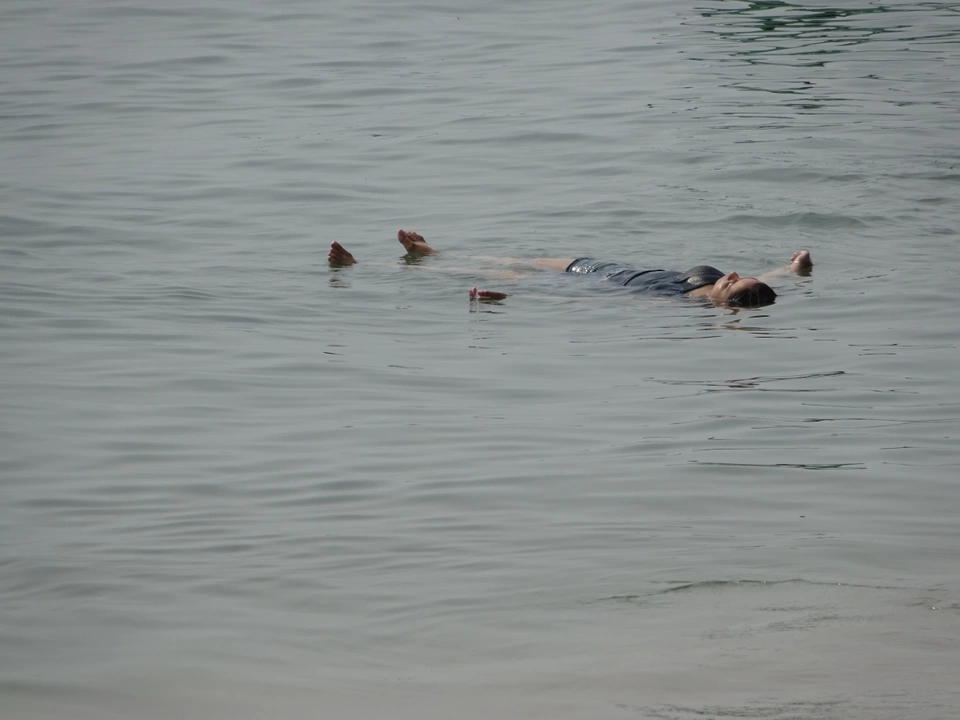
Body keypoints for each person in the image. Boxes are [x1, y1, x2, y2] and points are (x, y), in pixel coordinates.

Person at [328, 229, 813, 307]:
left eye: (733, 283)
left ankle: (363, 267)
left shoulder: (676, 309)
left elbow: (589, 308)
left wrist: (508, 300)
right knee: (516, 257)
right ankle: (431, 254)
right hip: (601, 266)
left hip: (596, 286)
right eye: (738, 274)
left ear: (727, 306)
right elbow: (767, 285)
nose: (733, 274)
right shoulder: (724, 286)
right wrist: (792, 269)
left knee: (512, 275)